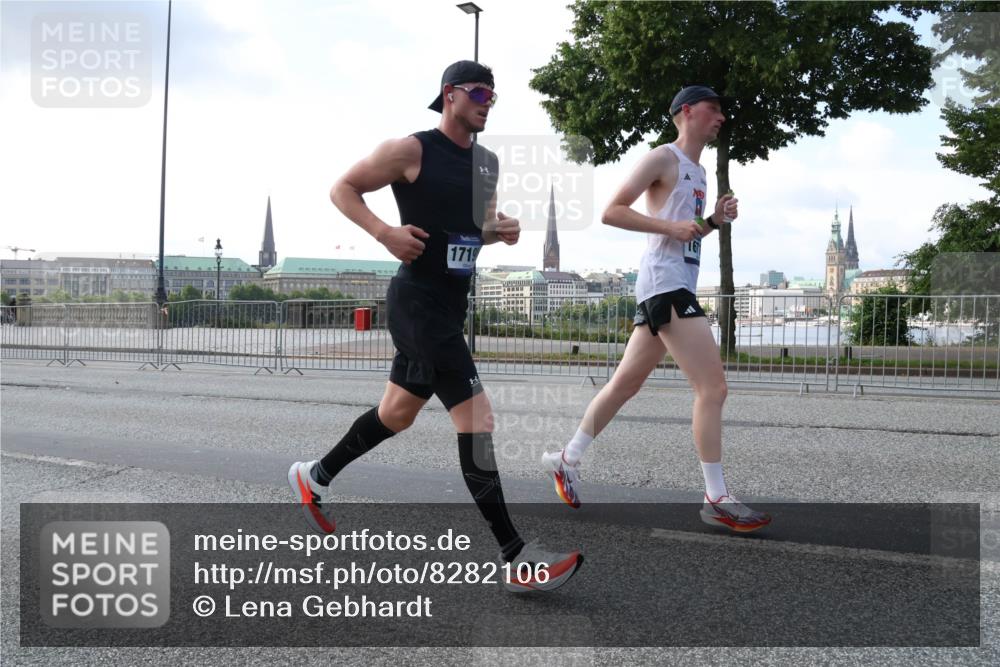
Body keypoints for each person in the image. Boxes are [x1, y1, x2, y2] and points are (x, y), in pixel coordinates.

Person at [288, 60, 584, 591]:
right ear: (449, 95)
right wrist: (384, 233)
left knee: (397, 414)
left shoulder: (488, 164)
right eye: (477, 92)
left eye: (493, 94)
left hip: (451, 304)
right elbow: (343, 188)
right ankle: (516, 557)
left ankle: (314, 476)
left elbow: (478, 227)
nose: (487, 101)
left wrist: (502, 229)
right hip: (418, 302)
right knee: (479, 419)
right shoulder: (411, 149)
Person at [542, 85, 771, 533]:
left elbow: (686, 233)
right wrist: (673, 225)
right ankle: (716, 496)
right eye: (714, 108)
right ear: (686, 111)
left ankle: (565, 458)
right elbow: (611, 211)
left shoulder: (700, 171)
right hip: (665, 285)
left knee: (624, 384)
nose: (721, 116)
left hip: (670, 282)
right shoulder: (662, 157)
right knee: (713, 388)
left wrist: (713, 221)